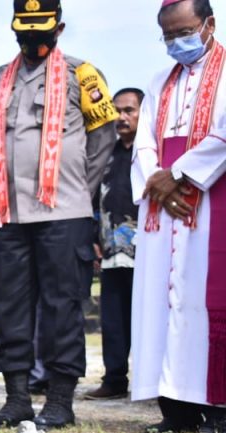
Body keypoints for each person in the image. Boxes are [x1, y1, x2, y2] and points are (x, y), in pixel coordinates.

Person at [0, 0, 118, 429]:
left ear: (58, 29)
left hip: (64, 213)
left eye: (40, 31)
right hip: (10, 214)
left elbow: (103, 139)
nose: (32, 40)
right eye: (24, 31)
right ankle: (17, 398)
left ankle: (60, 400)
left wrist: (76, 190)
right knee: (7, 306)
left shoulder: (83, 75)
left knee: (62, 306)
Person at [132, 0, 225, 433]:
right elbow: (143, 141)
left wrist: (181, 175)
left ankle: (220, 409)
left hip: (213, 197)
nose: (175, 42)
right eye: (168, 35)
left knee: (207, 301)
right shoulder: (159, 81)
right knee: (163, 305)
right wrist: (158, 182)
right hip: (164, 206)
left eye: (184, 32)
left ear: (209, 24)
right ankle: (177, 408)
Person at [85, 88, 144, 401]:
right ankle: (114, 379)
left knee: (146, 319)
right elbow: (94, 198)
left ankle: (151, 383)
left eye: (129, 110)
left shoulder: (150, 154)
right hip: (110, 252)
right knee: (112, 320)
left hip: (146, 252)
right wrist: (93, 236)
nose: (121, 117)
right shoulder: (105, 154)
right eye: (116, 110)